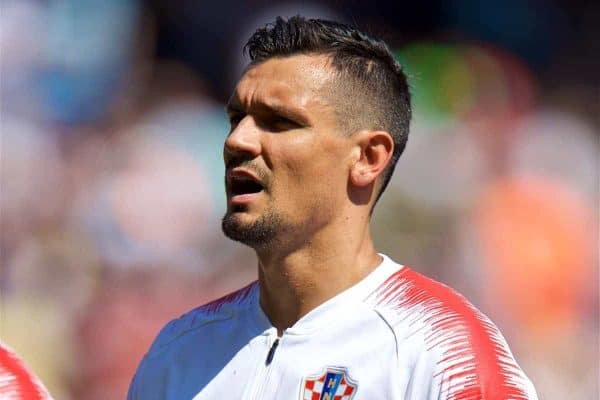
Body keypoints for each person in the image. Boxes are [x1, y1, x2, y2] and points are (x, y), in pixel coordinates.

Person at [128, 16, 538, 399]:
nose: (238, 141)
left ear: (367, 158)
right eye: (237, 117)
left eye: (279, 121)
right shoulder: (180, 351)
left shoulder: (441, 350)